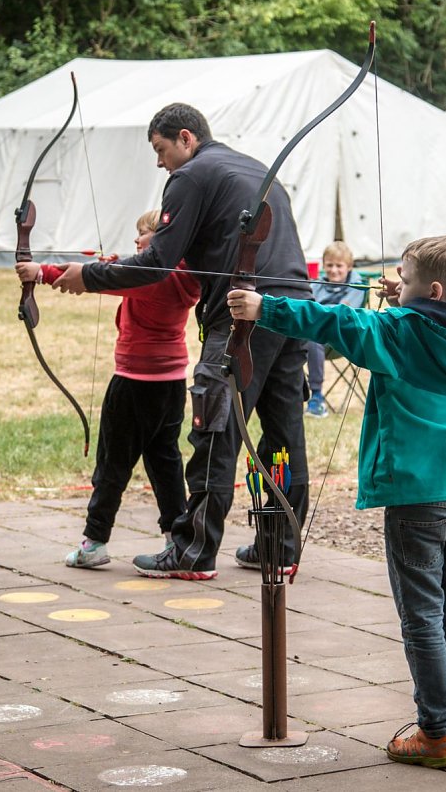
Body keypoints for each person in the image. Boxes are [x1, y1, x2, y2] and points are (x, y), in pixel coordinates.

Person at [227, 235, 446, 770]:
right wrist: (412, 293)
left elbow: (334, 324)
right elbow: (441, 309)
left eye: (405, 275)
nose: (394, 281)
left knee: (422, 615)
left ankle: (437, 733)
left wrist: (264, 308)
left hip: (417, 498)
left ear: (434, 289)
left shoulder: (398, 331)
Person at [50, 103, 312, 579]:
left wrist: (87, 276)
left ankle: (193, 551)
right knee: (283, 435)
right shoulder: (254, 168)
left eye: (161, 149)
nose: (160, 162)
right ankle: (280, 543)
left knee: (214, 428)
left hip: (242, 315)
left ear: (186, 138)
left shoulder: (192, 175)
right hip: (295, 308)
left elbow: (159, 262)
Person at [16, 209, 200, 568]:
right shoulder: (183, 276)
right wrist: (118, 263)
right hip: (172, 382)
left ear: (161, 241)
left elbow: (99, 278)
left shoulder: (154, 276)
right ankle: (175, 540)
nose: (137, 241)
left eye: (144, 235)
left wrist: (40, 272)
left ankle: (95, 542)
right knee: (165, 463)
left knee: (112, 463)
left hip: (135, 382)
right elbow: (120, 272)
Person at [306, 241, 366, 418]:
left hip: (341, 340)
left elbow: (343, 316)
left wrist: (318, 313)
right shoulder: (316, 285)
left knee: (313, 337)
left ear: (349, 267)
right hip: (311, 339)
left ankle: (316, 397)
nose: (333, 270)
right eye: (329, 265)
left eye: (339, 266)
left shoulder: (357, 285)